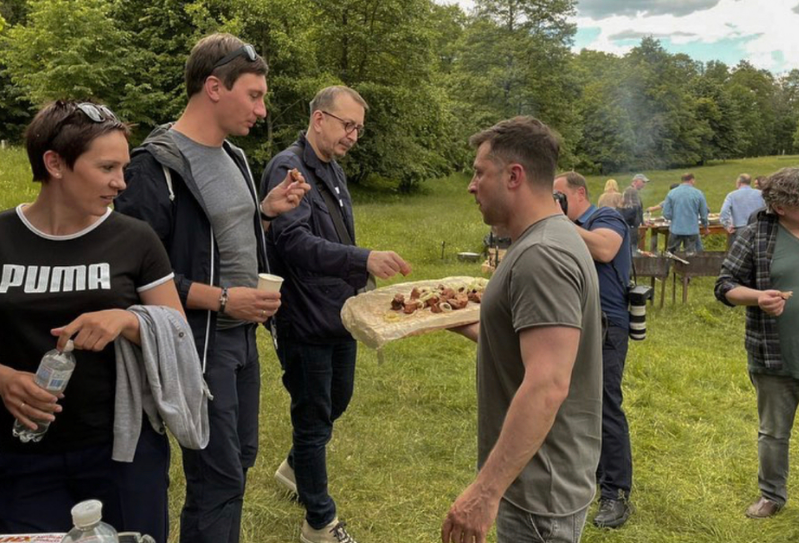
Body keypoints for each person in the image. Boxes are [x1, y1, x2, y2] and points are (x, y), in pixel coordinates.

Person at [114, 34, 311, 543]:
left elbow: (217, 240)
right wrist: (224, 298)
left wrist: (265, 213)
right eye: (254, 95)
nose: (263, 110)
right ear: (214, 87)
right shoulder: (154, 167)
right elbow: (132, 275)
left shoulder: (236, 159)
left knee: (239, 460)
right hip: (197, 343)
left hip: (242, 339)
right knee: (219, 474)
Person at [0, 100, 185, 542]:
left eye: (124, 167)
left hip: (125, 454)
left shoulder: (135, 238)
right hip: (26, 453)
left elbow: (177, 328)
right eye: (107, 167)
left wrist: (127, 320)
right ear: (55, 163)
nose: (121, 182)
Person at [441, 116, 602, 543]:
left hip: (539, 493)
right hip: (540, 478)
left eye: (479, 173)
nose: (472, 185)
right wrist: (471, 326)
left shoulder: (542, 255)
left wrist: (484, 492)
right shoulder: (551, 238)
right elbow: (531, 344)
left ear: (514, 176)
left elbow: (547, 382)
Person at [261, 85, 411, 543]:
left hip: (339, 314)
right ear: (320, 118)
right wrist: (360, 259)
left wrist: (357, 279)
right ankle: (319, 522)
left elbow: (333, 235)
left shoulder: (333, 169)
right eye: (348, 125)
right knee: (313, 417)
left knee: (336, 401)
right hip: (304, 318)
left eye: (359, 129)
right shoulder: (289, 168)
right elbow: (291, 242)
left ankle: (296, 468)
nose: (354, 136)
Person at [715, 167, 799, 519]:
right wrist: (757, 297)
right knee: (773, 433)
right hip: (774, 356)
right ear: (781, 206)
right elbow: (725, 286)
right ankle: (771, 495)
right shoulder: (756, 235)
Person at [554, 171, 634, 528]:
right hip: (575, 323)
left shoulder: (605, 218)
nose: (553, 203)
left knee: (604, 405)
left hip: (607, 326)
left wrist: (554, 219)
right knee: (571, 403)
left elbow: (604, 248)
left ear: (579, 193)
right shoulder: (566, 226)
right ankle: (581, 480)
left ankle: (615, 494)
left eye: (558, 196)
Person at [663, 173, 709, 253]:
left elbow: (666, 213)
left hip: (675, 229)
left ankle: (671, 265)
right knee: (690, 255)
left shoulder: (671, 193)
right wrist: (705, 227)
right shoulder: (698, 194)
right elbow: (704, 214)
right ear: (692, 180)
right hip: (692, 230)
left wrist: (674, 218)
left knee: (671, 254)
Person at [720, 173, 765, 245]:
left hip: (740, 228)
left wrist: (727, 225)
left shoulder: (732, 195)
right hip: (758, 228)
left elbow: (724, 211)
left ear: (739, 182)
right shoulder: (760, 194)